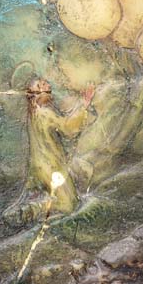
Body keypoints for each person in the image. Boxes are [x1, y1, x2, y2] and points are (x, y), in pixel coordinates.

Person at [24, 77, 95, 216]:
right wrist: (84, 104)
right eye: (42, 84)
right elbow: (68, 128)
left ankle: (35, 208)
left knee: (70, 198)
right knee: (68, 205)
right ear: (37, 93)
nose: (48, 85)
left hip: (44, 164)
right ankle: (32, 210)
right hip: (50, 166)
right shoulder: (44, 114)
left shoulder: (35, 114)